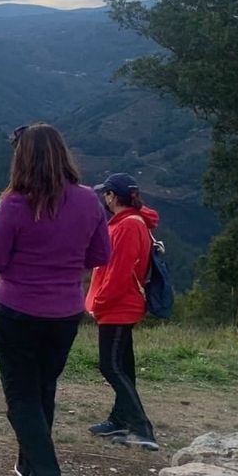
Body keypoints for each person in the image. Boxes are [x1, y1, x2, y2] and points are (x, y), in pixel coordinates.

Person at [0, 123, 111, 476]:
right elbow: (100, 256)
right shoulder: (89, 200)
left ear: (21, 158)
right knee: (43, 390)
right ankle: (29, 464)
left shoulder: (16, 203)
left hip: (17, 310)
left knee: (21, 395)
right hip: (65, 312)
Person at [85, 173, 160, 451]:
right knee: (123, 366)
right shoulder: (134, 221)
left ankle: (142, 427)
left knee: (111, 365)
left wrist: (99, 302)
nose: (103, 199)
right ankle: (120, 418)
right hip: (122, 304)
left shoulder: (128, 225)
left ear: (112, 197)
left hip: (118, 306)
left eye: (105, 194)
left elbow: (119, 271)